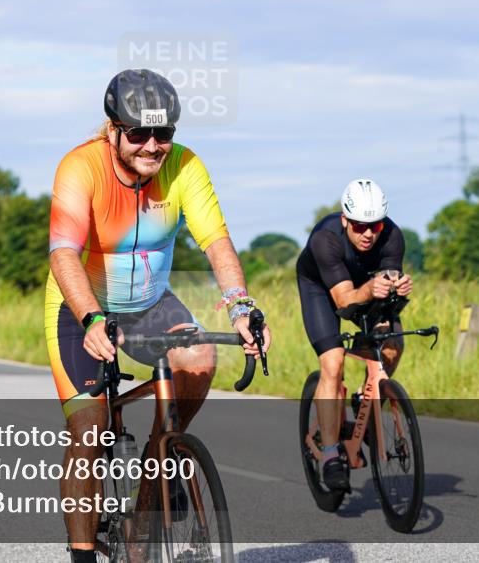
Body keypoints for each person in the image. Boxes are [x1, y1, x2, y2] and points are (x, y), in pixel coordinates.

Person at [45, 69, 272, 561]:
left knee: (199, 359)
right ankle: (84, 551)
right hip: (80, 304)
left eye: (163, 133)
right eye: (139, 133)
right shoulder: (80, 168)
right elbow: (64, 255)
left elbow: (216, 242)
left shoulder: (186, 167)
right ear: (112, 130)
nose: (152, 145)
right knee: (91, 429)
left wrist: (241, 305)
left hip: (149, 303)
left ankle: (156, 476)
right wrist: (89, 319)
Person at [296, 179, 413, 491]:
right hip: (322, 288)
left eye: (375, 226)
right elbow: (344, 301)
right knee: (333, 363)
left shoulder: (392, 237)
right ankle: (331, 454)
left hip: (362, 287)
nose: (368, 234)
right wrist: (371, 288)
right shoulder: (326, 239)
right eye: (360, 226)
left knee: (390, 344)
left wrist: (397, 289)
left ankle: (366, 398)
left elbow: (385, 286)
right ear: (346, 220)